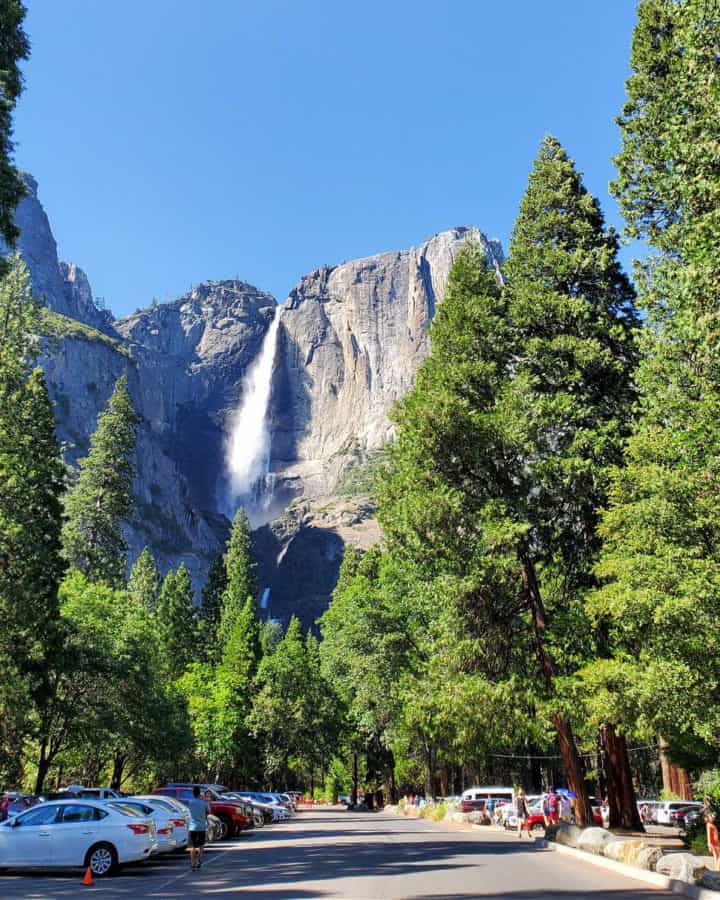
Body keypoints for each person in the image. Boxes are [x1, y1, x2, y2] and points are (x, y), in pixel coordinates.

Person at [187, 785, 209, 871]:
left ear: (193, 793)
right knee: (201, 845)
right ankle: (199, 861)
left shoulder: (190, 802)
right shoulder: (203, 803)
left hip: (192, 827)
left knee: (192, 846)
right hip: (201, 827)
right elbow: (209, 810)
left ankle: (192, 864)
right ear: (199, 793)